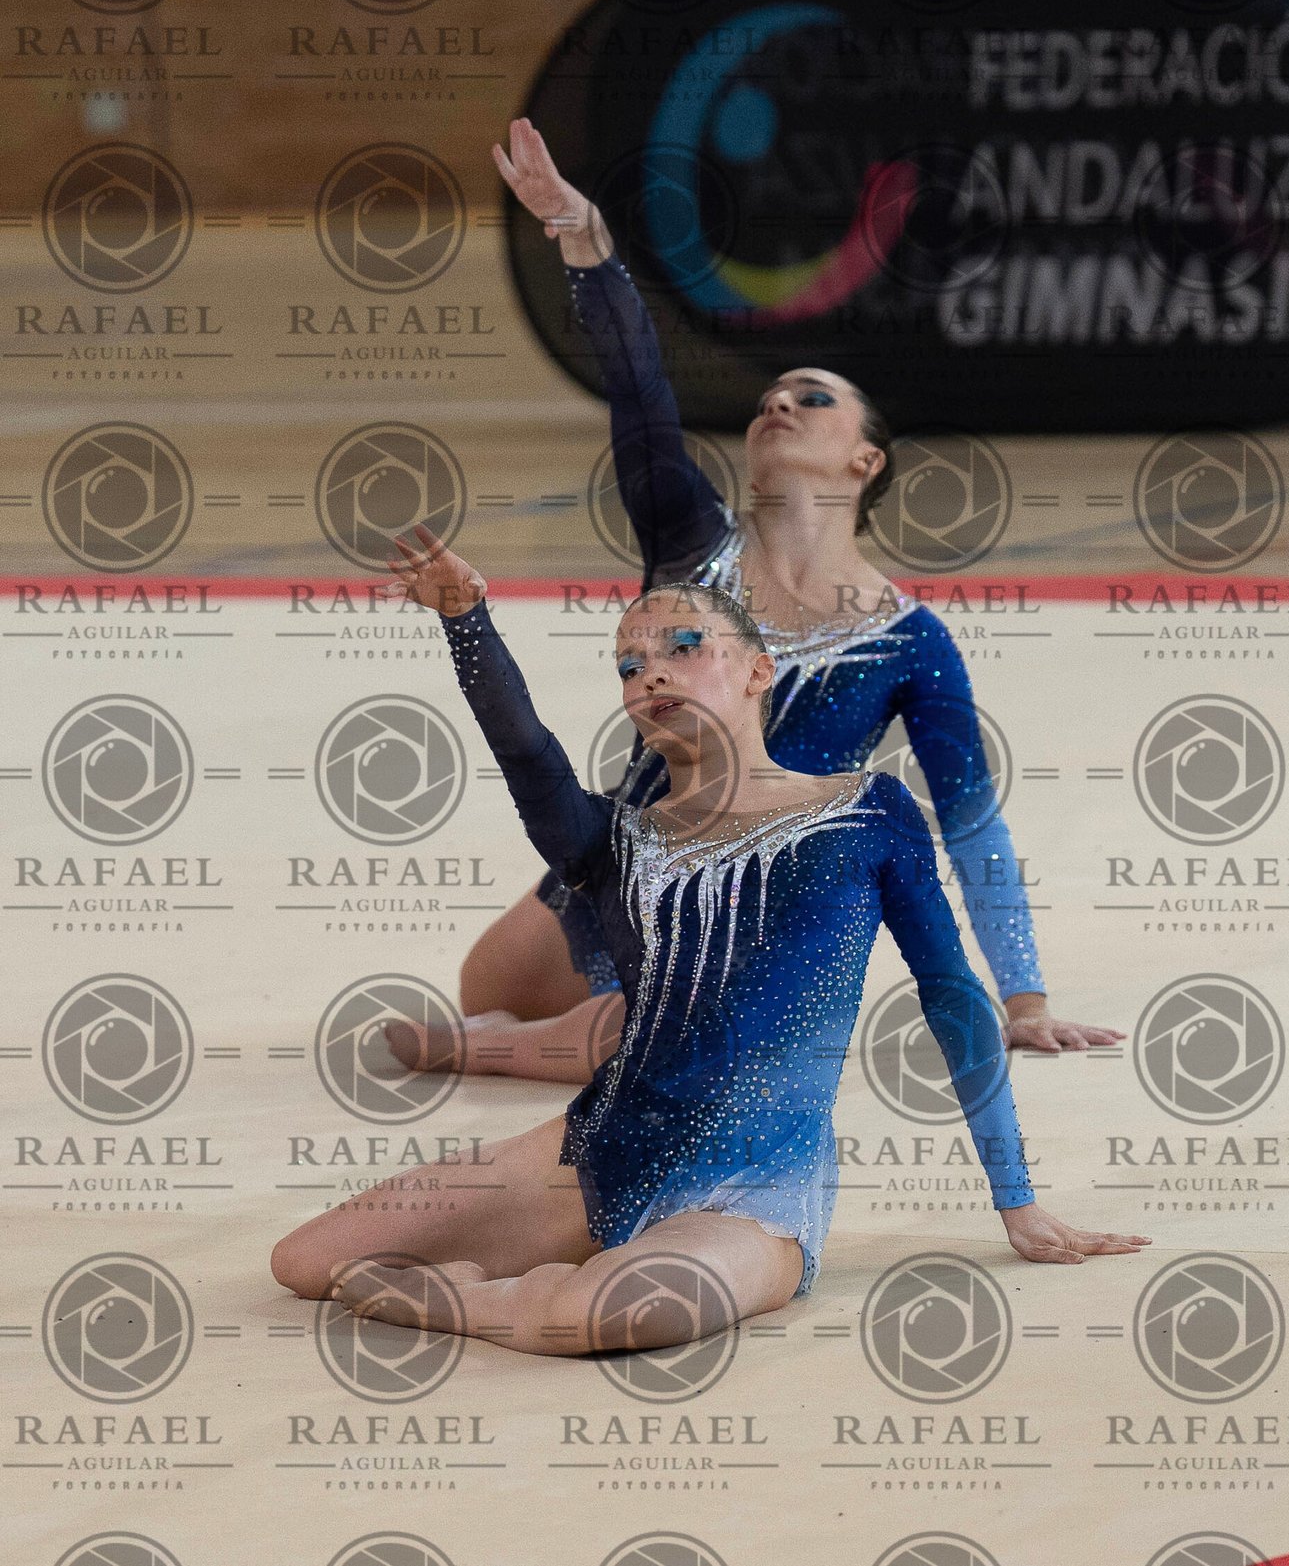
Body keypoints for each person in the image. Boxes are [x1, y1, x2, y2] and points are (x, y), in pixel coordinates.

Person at [268, 529, 1149, 1355]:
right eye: (630, 664)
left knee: (622, 1309)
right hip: (596, 1154)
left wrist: (1017, 1200)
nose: (652, 671)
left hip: (754, 1193)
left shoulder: (865, 811)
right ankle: (550, 1253)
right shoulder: (614, 841)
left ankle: (472, 1299)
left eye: (685, 646)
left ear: (760, 669)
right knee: (305, 1261)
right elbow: (527, 752)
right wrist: (467, 620)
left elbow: (950, 994)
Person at [446, 120, 1122, 1084]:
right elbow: (638, 387)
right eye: (770, 397)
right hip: (616, 883)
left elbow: (970, 820)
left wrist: (1025, 1000)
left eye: (813, 399)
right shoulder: (691, 544)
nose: (778, 404)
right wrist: (583, 238)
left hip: (748, 907)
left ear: (865, 459)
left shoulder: (908, 641)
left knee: (652, 1038)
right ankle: (539, 1033)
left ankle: (560, 1037)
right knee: (490, 987)